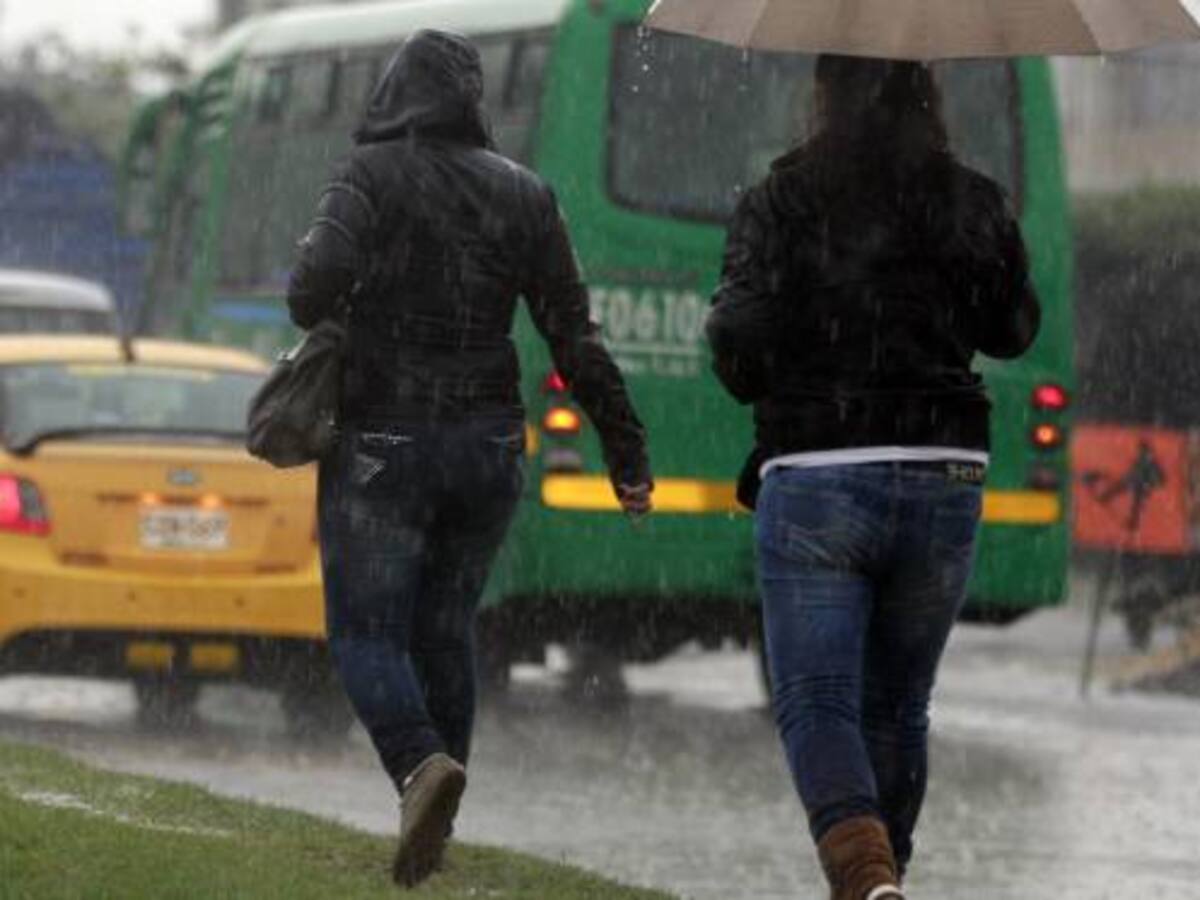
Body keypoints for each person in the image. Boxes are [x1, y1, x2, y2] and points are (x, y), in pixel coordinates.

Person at [286, 30, 653, 888]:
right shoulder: (527, 193)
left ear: (392, 93)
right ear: (472, 101)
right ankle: (437, 824)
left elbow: (310, 292)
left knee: (364, 633)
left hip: (383, 438)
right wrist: (625, 447)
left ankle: (420, 768)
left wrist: (352, 284)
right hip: (488, 445)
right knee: (446, 631)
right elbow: (573, 333)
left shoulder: (368, 175)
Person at [707, 55, 1039, 900]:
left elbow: (740, 348)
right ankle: (885, 878)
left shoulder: (782, 197)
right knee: (898, 706)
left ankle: (864, 880)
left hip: (820, 466)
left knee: (818, 702)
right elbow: (1012, 331)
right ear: (927, 98)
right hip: (946, 471)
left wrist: (764, 341)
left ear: (823, 93)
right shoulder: (972, 200)